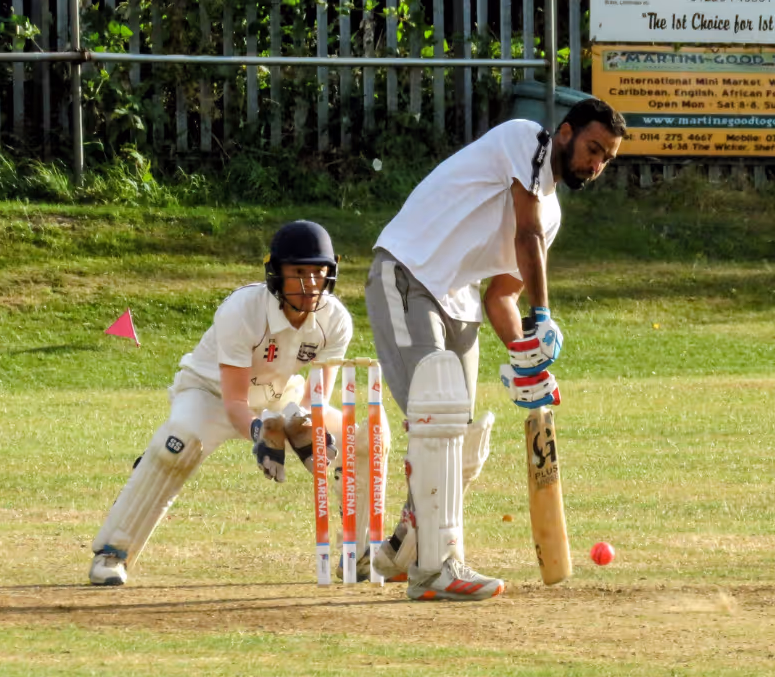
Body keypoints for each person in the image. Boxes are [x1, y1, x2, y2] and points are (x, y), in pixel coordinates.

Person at [363, 97, 627, 601]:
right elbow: (523, 233)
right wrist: (544, 315)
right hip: (407, 270)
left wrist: (528, 358)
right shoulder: (526, 139)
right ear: (566, 133)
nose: (596, 166)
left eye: (606, 160)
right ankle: (434, 571)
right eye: (593, 149)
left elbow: (502, 295)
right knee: (436, 421)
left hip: (458, 297)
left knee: (459, 436)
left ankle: (400, 551)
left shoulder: (551, 215)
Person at [88, 220, 352, 586]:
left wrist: (304, 424)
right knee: (177, 444)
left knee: (366, 432)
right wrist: (261, 432)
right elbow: (234, 401)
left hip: (280, 398)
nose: (310, 284)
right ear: (276, 274)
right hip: (209, 394)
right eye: (299, 272)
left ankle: (364, 551)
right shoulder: (243, 309)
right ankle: (112, 553)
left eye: (318, 272)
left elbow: (314, 398)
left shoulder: (336, 319)